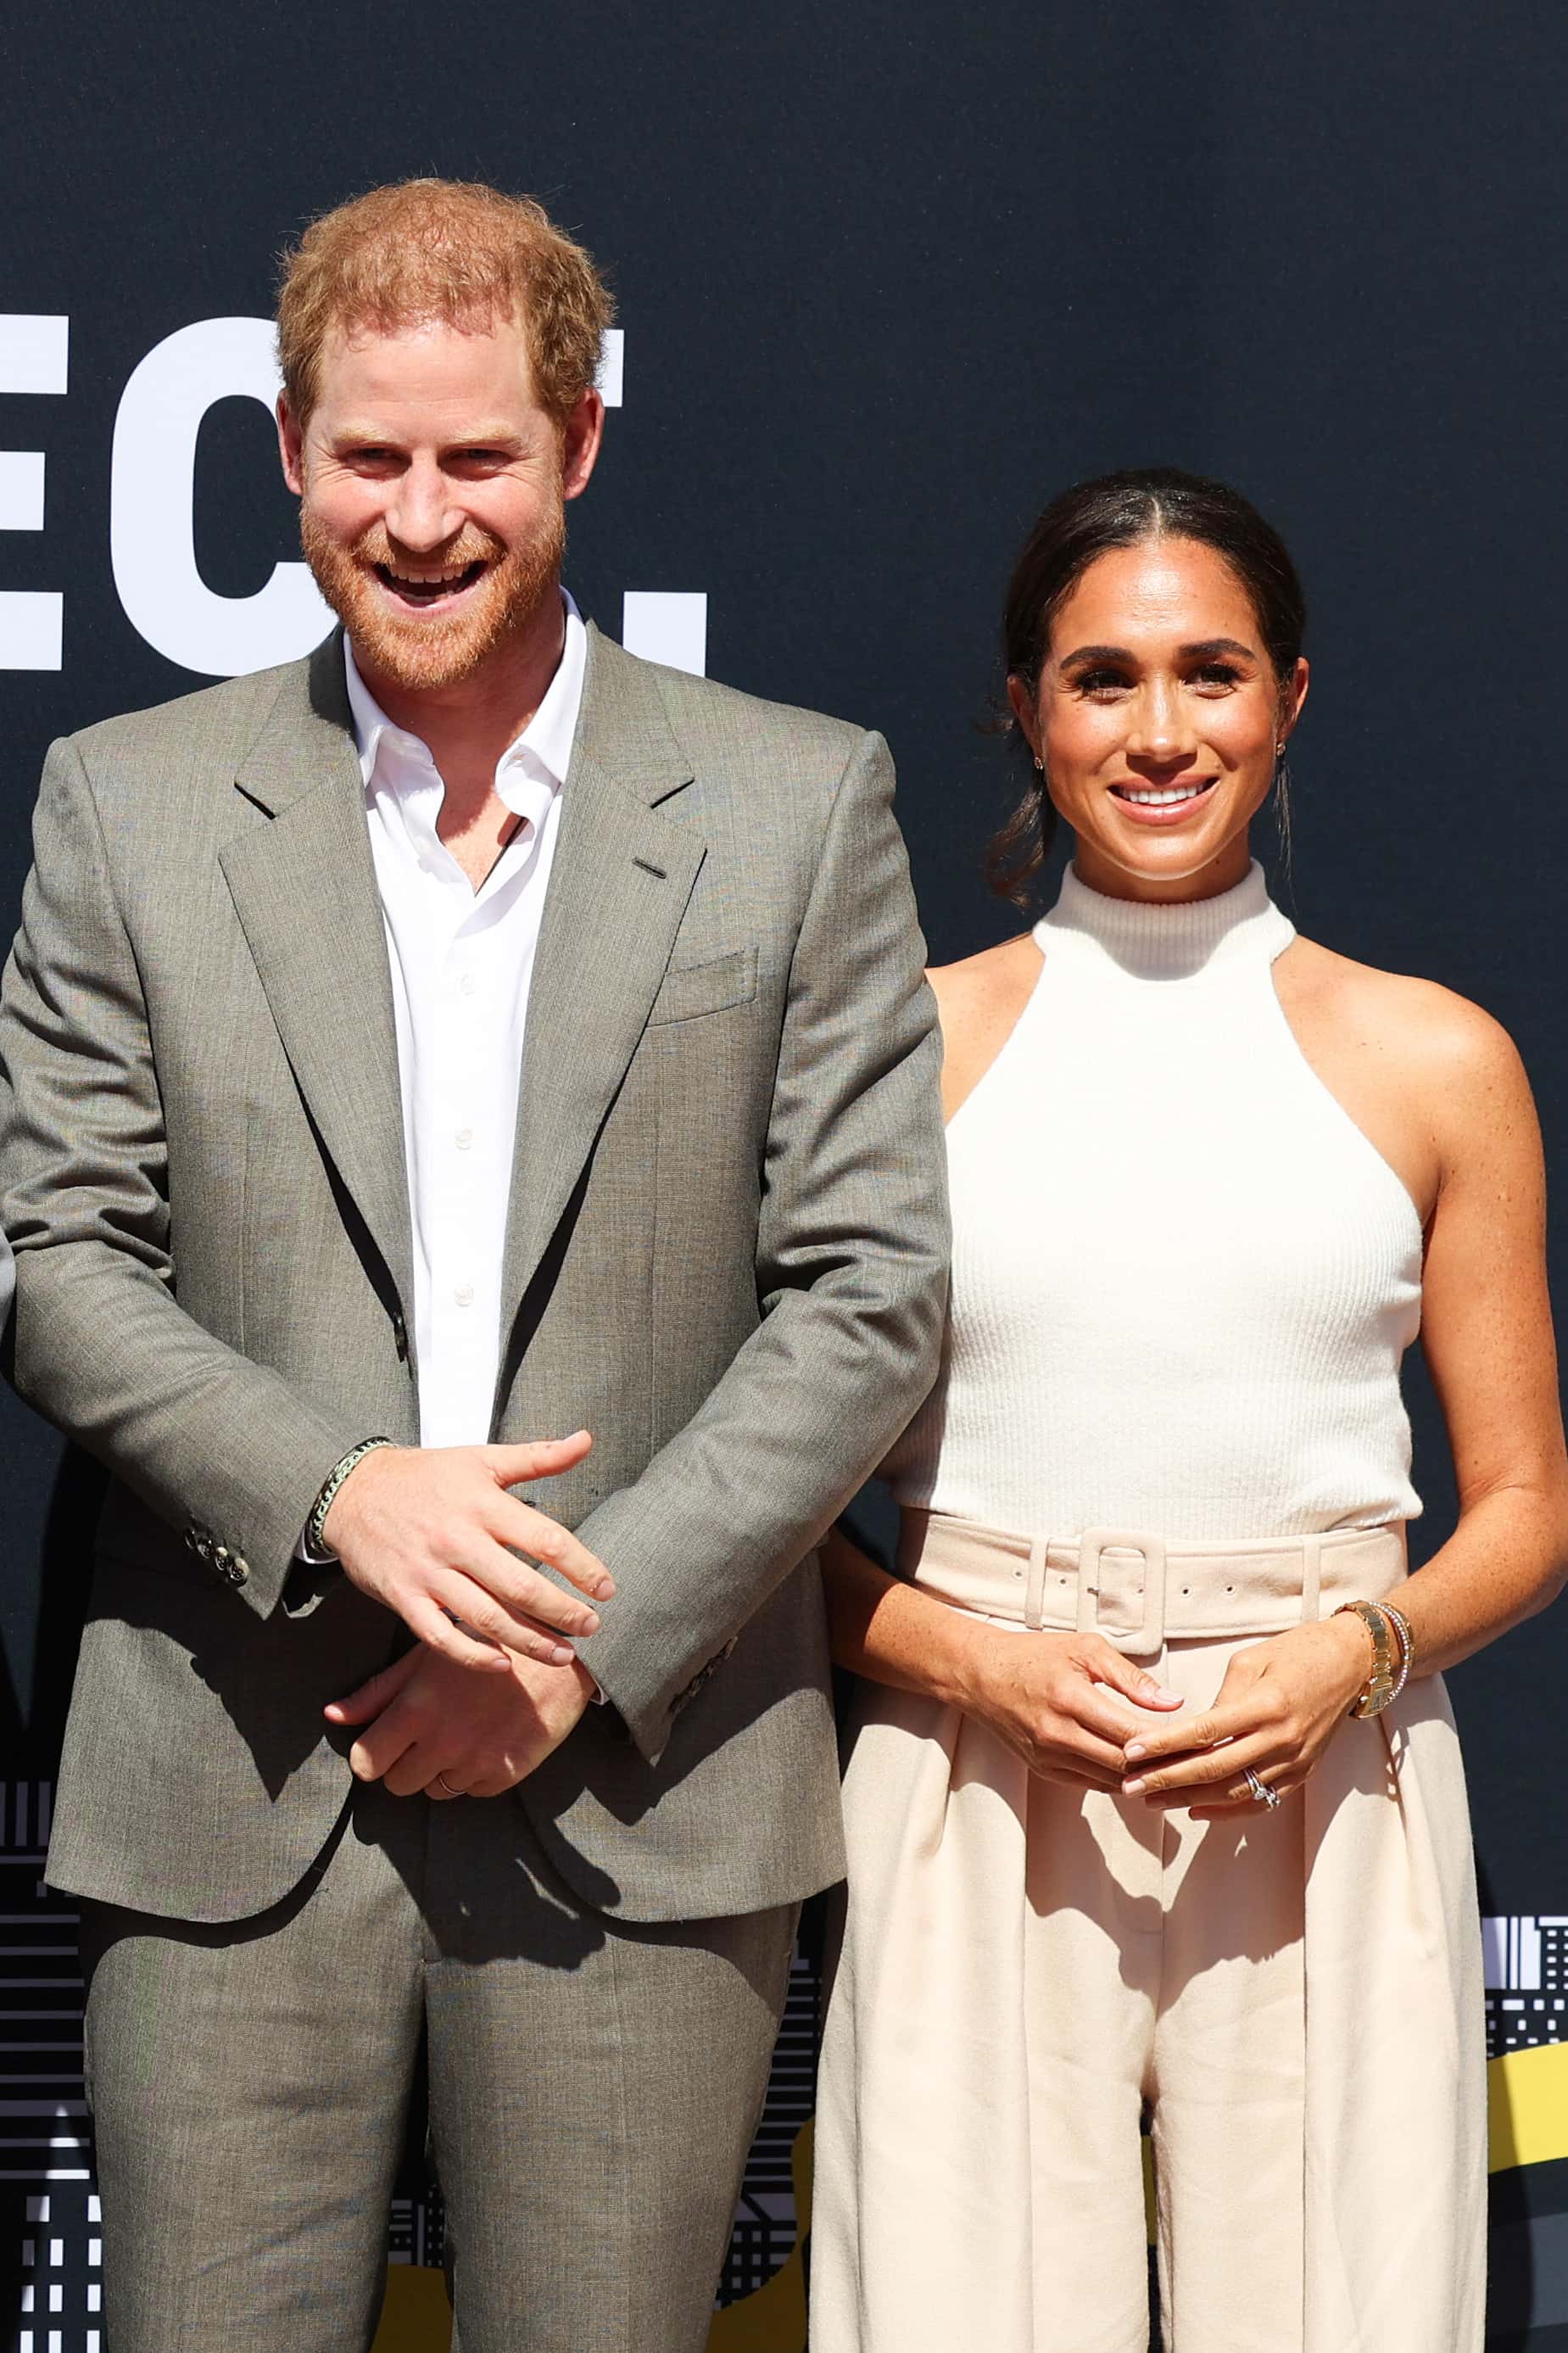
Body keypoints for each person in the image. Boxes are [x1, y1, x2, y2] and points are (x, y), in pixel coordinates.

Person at [0, 178, 947, 2353]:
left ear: (583, 445)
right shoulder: (127, 809)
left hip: (635, 1787)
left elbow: (872, 1284)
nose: (421, 518)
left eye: (478, 458)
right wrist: (344, 1487)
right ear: (286, 451)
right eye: (370, 456)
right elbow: (56, 1253)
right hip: (228, 1792)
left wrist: (576, 1640)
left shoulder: (793, 808)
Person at [810, 467, 1568, 2352]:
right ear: (1024, 707)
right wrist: (980, 1669)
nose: (1160, 732)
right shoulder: (898, 1050)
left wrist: (1352, 1656)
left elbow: (1529, 1503)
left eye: (1210, 673)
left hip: (1327, 1770)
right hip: (972, 1761)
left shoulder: (1434, 1058)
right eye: (1101, 679)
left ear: (1289, 695)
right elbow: (768, 1532)